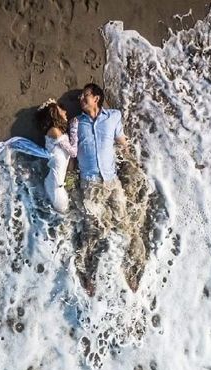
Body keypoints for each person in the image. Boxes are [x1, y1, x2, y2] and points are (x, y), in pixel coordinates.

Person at [73, 83, 131, 294]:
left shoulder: (114, 116)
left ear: (96, 98)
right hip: (89, 182)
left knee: (122, 222)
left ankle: (127, 270)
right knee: (91, 230)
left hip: (111, 180)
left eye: (84, 95)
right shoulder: (77, 123)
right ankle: (88, 277)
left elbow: (122, 142)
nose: (81, 98)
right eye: (80, 96)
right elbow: (71, 151)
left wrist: (132, 162)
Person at [35, 99, 78, 213]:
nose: (65, 112)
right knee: (64, 219)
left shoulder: (59, 134)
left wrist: (71, 184)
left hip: (59, 186)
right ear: (54, 114)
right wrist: (74, 129)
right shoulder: (54, 131)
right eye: (61, 110)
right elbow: (73, 152)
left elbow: (70, 160)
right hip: (56, 189)